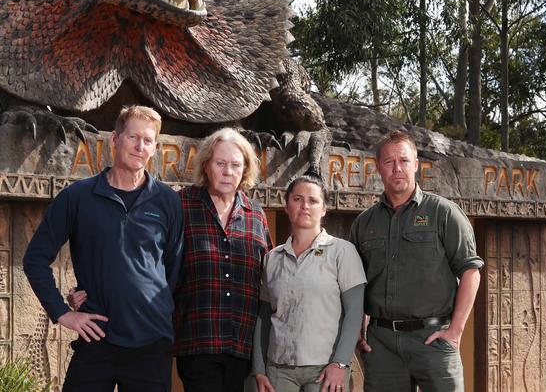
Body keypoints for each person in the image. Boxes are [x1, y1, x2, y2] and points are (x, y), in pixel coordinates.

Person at [23, 105, 184, 392]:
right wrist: (62, 312)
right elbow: (35, 259)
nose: (139, 146)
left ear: (155, 148)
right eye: (133, 137)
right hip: (97, 336)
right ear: (114, 139)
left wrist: (150, 305)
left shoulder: (168, 201)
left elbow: (172, 269)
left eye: (147, 140)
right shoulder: (78, 196)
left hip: (151, 343)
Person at [350, 131, 484, 392]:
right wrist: (356, 330)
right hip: (382, 343)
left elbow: (471, 271)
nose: (397, 168)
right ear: (378, 168)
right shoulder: (364, 223)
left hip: (433, 339)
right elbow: (355, 283)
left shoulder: (443, 213)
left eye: (403, 160)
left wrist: (455, 332)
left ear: (416, 165)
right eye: (389, 162)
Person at [173, 128, 273, 392]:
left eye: (235, 165)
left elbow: (270, 278)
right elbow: (151, 264)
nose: (228, 171)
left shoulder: (256, 214)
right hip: (198, 340)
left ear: (245, 169)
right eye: (221, 163)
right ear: (206, 166)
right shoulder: (180, 205)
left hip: (243, 344)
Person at [253, 175, 367, 392]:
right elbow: (264, 316)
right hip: (278, 369)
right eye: (297, 199)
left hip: (325, 369)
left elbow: (354, 314)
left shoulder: (343, 252)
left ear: (324, 209)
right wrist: (259, 368)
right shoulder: (272, 258)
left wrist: (341, 363)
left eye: (313, 201)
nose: (305, 206)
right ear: (286, 206)